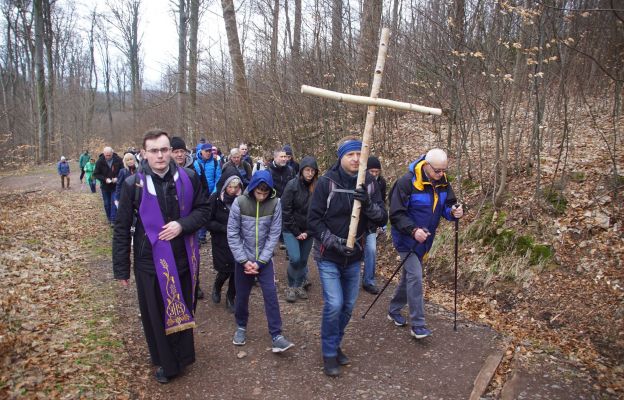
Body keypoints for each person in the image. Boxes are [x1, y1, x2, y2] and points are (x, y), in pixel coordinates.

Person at [113, 129, 209, 384]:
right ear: (144, 153)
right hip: (149, 262)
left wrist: (182, 224)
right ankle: (167, 363)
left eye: (164, 149)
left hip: (184, 258)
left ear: (172, 151)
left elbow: (204, 211)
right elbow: (122, 228)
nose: (160, 155)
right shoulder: (133, 184)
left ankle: (183, 355)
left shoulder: (189, 178)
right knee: (156, 314)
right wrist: (121, 269)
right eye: (154, 150)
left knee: (184, 307)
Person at [307, 137, 387, 376]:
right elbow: (313, 221)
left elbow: (382, 217)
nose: (355, 159)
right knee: (334, 304)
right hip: (328, 255)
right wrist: (336, 243)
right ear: (341, 157)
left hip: (354, 256)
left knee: (348, 306)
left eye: (358, 155)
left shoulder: (370, 182)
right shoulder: (326, 182)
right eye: (350, 155)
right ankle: (329, 352)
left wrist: (368, 204)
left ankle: (335, 342)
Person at [386, 148, 464, 339]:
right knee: (415, 277)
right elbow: (396, 214)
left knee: (408, 277)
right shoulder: (406, 182)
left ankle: (394, 309)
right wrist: (413, 230)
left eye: (444, 170)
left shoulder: (443, 182)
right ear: (427, 165)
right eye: (437, 170)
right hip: (406, 239)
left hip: (425, 241)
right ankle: (418, 325)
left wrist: (455, 212)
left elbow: (447, 206)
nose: (441, 174)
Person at [227, 170, 295, 353]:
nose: (261, 196)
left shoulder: (275, 203)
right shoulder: (239, 202)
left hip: (263, 261)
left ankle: (277, 335)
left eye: (265, 193)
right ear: (252, 189)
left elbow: (274, 234)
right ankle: (241, 326)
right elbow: (232, 234)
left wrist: (261, 261)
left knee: (271, 295)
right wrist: (243, 260)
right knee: (241, 296)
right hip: (243, 259)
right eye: (258, 192)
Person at [281, 156, 318, 303]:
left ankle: (299, 285)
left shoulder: (317, 186)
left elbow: (319, 211)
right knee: (295, 258)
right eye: (307, 170)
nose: (310, 173)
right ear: (301, 170)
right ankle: (291, 286)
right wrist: (297, 232)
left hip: (309, 230)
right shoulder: (292, 185)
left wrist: (308, 232)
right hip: (291, 229)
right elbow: (286, 210)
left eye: (312, 171)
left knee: (303, 260)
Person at [171, 136, 205, 300]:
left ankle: (195, 284)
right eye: (176, 152)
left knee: (193, 254)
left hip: (191, 219)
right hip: (173, 220)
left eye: (181, 151)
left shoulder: (194, 169)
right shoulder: (165, 172)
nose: (179, 155)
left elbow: (202, 191)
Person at [207, 170, 243, 313]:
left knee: (236, 269)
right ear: (224, 186)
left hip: (238, 241)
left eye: (236, 187)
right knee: (224, 270)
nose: (233, 190)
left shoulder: (242, 200)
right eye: (230, 187)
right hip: (221, 241)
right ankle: (217, 285)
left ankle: (230, 297)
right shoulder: (215, 199)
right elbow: (207, 221)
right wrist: (224, 228)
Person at [362, 155, 388, 295]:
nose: (374, 174)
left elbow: (381, 202)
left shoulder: (381, 183)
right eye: (371, 171)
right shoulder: (361, 181)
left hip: (371, 224)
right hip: (357, 223)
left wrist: (381, 222)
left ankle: (369, 281)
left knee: (371, 250)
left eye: (376, 171)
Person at [193, 142, 221, 243]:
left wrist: (214, 193)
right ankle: (200, 236)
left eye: (210, 151)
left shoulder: (215, 162)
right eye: (207, 151)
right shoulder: (195, 163)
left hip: (212, 193)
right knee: (200, 213)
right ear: (201, 151)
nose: (209, 153)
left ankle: (205, 234)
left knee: (210, 214)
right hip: (200, 193)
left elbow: (218, 179)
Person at [94, 147, 124, 225]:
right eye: (106, 155)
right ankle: (109, 218)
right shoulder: (100, 161)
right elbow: (96, 174)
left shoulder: (118, 160)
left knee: (114, 202)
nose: (108, 157)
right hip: (105, 186)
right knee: (107, 204)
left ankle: (113, 221)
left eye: (109, 155)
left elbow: (123, 171)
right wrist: (105, 179)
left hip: (115, 186)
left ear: (112, 153)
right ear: (103, 154)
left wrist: (117, 178)